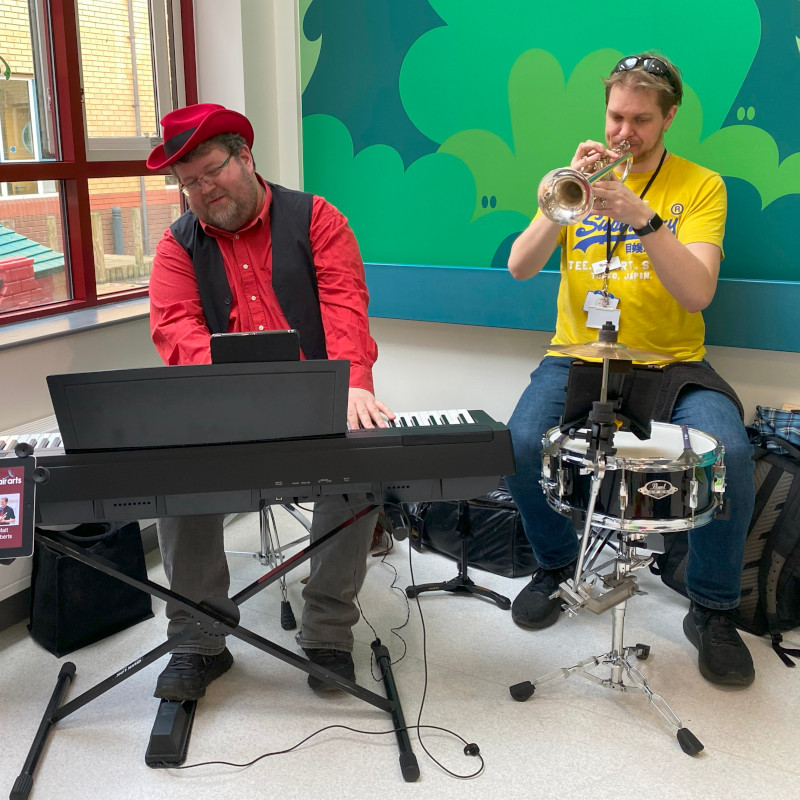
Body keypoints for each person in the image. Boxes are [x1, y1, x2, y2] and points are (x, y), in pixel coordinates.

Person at [504, 53, 756, 687]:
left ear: (669, 118)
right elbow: (520, 267)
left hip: (672, 363)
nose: (624, 133)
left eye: (641, 120)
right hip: (578, 357)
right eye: (616, 117)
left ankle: (713, 609)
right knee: (519, 442)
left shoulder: (702, 185)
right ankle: (557, 566)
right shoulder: (576, 181)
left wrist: (642, 218)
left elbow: (697, 293)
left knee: (729, 452)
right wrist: (564, 197)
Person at [145, 103, 394, 701]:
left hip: (319, 400)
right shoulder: (176, 245)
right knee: (174, 476)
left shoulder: (318, 219)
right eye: (190, 183)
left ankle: (328, 631)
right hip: (223, 408)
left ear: (246, 157)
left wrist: (353, 382)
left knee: (361, 462)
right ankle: (198, 640)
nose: (204, 190)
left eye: (213, 171)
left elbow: (344, 306)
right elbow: (176, 330)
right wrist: (237, 392)